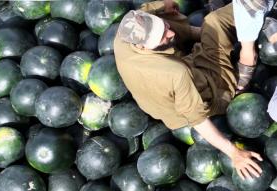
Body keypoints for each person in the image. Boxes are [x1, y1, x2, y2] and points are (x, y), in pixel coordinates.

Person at [113, 0, 263, 179]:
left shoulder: (125, 34)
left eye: (165, 28)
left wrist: (167, 5)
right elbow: (197, 119)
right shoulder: (175, 74)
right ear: (143, 46)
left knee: (190, 25)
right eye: (162, 36)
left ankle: (205, 34)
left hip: (176, 74)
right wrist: (233, 153)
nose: (169, 32)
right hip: (200, 98)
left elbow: (150, 9)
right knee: (215, 21)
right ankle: (239, 77)